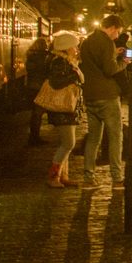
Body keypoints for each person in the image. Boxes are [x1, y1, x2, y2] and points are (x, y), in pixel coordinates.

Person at [79, 14, 128, 189]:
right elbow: (110, 69)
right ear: (112, 28)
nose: (117, 35)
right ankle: (117, 178)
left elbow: (94, 63)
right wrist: (124, 62)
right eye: (118, 32)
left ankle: (88, 178)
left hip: (90, 95)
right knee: (115, 136)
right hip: (107, 96)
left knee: (93, 138)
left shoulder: (87, 41)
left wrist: (114, 53)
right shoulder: (107, 42)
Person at [43, 31, 84, 188]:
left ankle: (63, 176)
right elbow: (56, 83)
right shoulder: (59, 62)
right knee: (68, 143)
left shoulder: (68, 62)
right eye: (74, 46)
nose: (76, 49)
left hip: (68, 109)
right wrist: (74, 76)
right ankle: (53, 176)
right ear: (66, 48)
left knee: (66, 143)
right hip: (62, 108)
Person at [25, 36, 51, 146]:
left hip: (32, 86)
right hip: (39, 86)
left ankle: (34, 136)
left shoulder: (31, 56)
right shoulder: (42, 57)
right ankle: (34, 138)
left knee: (35, 113)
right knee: (37, 113)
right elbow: (44, 70)